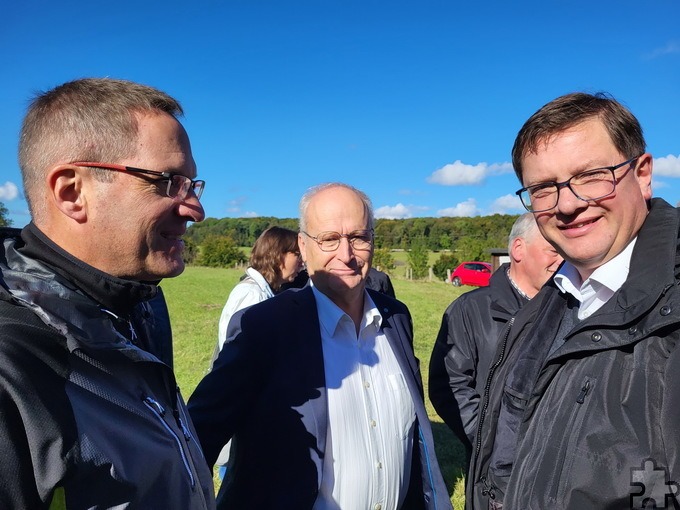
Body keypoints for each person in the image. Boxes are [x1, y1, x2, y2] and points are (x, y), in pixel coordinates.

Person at [0, 78, 215, 509]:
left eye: (192, 184)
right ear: (72, 192)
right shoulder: (13, 369)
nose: (195, 209)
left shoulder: (141, 306)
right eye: (168, 181)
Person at [468, 92, 680, 509]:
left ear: (642, 173)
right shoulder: (550, 300)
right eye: (544, 188)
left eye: (590, 175)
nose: (568, 204)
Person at [188, 182, 452, 510]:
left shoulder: (396, 318)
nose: (346, 254)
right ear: (303, 245)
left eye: (358, 237)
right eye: (329, 239)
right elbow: (197, 436)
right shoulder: (264, 327)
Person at [428, 213, 561, 465]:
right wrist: (493, 445)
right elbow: (449, 387)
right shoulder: (469, 310)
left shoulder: (572, 308)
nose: (562, 260)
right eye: (553, 250)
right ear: (519, 249)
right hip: (496, 473)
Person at [216, 225, 302, 350]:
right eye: (297, 255)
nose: (302, 262)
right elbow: (241, 353)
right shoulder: (252, 294)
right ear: (277, 255)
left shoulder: (262, 290)